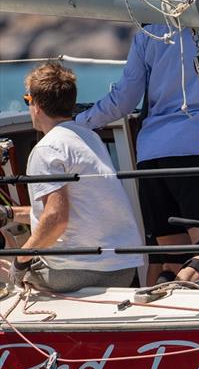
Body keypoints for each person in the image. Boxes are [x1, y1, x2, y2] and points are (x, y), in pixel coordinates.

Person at [75, 0, 199, 285]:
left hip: (151, 157)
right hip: (196, 152)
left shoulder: (148, 32)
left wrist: (79, 123)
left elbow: (124, 100)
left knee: (170, 259)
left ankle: (162, 315)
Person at [3, 63, 142, 292]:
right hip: (123, 269)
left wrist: (21, 259)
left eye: (28, 100)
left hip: (82, 272)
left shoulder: (47, 148)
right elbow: (70, 213)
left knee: (6, 267)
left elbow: (56, 218)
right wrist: (10, 214)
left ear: (36, 105)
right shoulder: (90, 138)